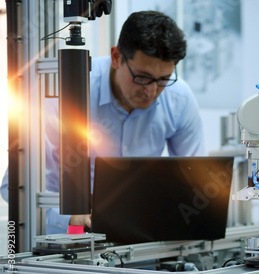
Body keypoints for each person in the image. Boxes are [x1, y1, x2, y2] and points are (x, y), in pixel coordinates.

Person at [0, 11, 205, 234]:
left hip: (141, 238)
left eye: (163, 79)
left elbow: (194, 182)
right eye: (142, 77)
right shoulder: (64, 92)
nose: (151, 91)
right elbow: (13, 187)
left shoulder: (179, 99)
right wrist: (71, 217)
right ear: (116, 57)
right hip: (67, 243)